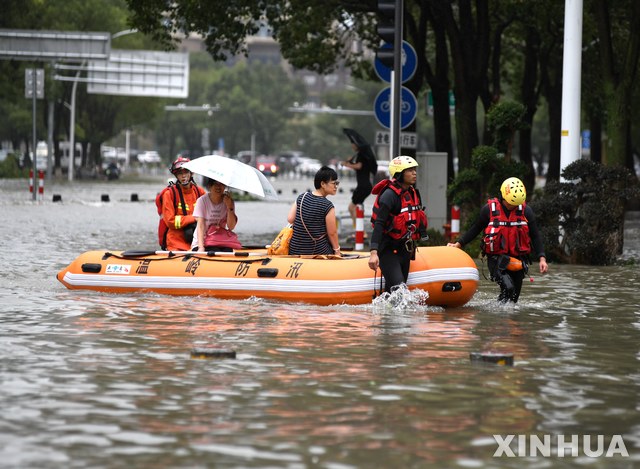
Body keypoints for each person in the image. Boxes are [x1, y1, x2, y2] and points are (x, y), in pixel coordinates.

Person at [447, 177, 549, 303]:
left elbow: (535, 235)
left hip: (518, 259)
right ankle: (500, 316)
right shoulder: (489, 210)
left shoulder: (526, 211)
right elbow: (476, 229)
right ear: (503, 197)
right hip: (496, 260)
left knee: (513, 299)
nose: (513, 206)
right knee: (508, 287)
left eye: (516, 204)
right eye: (511, 203)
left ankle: (504, 318)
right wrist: (459, 243)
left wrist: (542, 258)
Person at [368, 156, 428, 293]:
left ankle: (386, 315)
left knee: (393, 291)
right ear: (400, 173)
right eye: (410, 170)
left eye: (415, 170)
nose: (414, 173)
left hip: (404, 249)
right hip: (388, 249)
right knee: (400, 290)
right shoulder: (389, 195)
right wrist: (373, 252)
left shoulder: (412, 192)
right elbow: (379, 224)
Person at [287, 166, 341, 256]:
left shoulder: (302, 196)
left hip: (294, 250)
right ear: (323, 184)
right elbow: (332, 233)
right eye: (334, 183)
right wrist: (337, 250)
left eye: (337, 183)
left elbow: (290, 219)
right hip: (317, 250)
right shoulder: (328, 206)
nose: (336, 186)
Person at [159, 156, 205, 251]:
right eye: (180, 173)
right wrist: (194, 218)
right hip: (176, 244)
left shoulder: (200, 192)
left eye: (186, 172)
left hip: (197, 242)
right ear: (176, 176)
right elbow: (170, 221)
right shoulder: (170, 194)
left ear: (191, 173)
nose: (183, 176)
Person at [192, 177, 240, 252]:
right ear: (209, 186)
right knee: (214, 250)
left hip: (220, 241)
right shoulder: (202, 201)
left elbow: (231, 226)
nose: (218, 187)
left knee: (228, 251)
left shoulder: (228, 201)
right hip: (203, 241)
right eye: (215, 184)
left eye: (221, 184)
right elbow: (200, 225)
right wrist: (201, 247)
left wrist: (229, 207)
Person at [342, 142, 374, 227]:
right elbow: (360, 168)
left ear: (358, 145)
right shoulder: (363, 156)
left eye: (353, 144)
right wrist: (350, 163)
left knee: (351, 208)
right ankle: (359, 230)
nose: (352, 145)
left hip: (363, 187)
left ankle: (360, 231)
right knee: (357, 207)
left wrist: (347, 164)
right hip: (365, 186)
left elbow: (359, 166)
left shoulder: (361, 155)